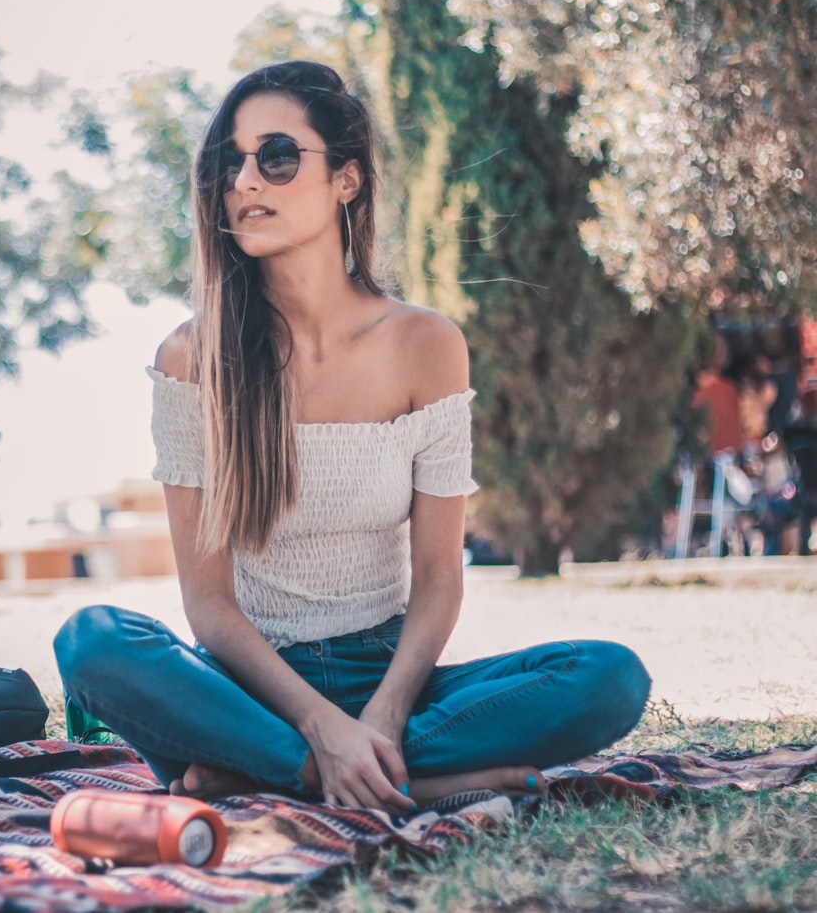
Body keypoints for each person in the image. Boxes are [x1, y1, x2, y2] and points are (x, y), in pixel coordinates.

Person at [54, 61, 651, 813]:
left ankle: (279, 773)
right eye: (228, 162)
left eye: (275, 156)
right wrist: (317, 724)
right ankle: (371, 775)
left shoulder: (426, 345)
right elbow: (208, 604)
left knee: (609, 678)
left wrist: (381, 714)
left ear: (347, 179)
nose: (245, 180)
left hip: (390, 676)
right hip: (249, 686)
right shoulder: (191, 359)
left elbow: (438, 579)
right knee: (92, 640)